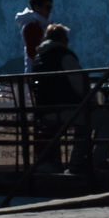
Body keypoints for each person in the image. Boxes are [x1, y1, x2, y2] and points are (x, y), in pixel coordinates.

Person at [30, 24, 87, 171]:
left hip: (44, 111)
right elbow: (80, 85)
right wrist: (90, 99)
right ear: (63, 39)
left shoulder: (38, 58)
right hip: (64, 109)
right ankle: (82, 162)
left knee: (85, 119)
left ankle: (55, 162)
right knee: (102, 119)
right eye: (66, 39)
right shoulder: (64, 56)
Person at [15, 0, 53, 73]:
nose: (50, 11)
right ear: (37, 7)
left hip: (41, 70)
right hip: (37, 72)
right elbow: (32, 53)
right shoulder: (32, 26)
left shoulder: (41, 24)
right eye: (47, 8)